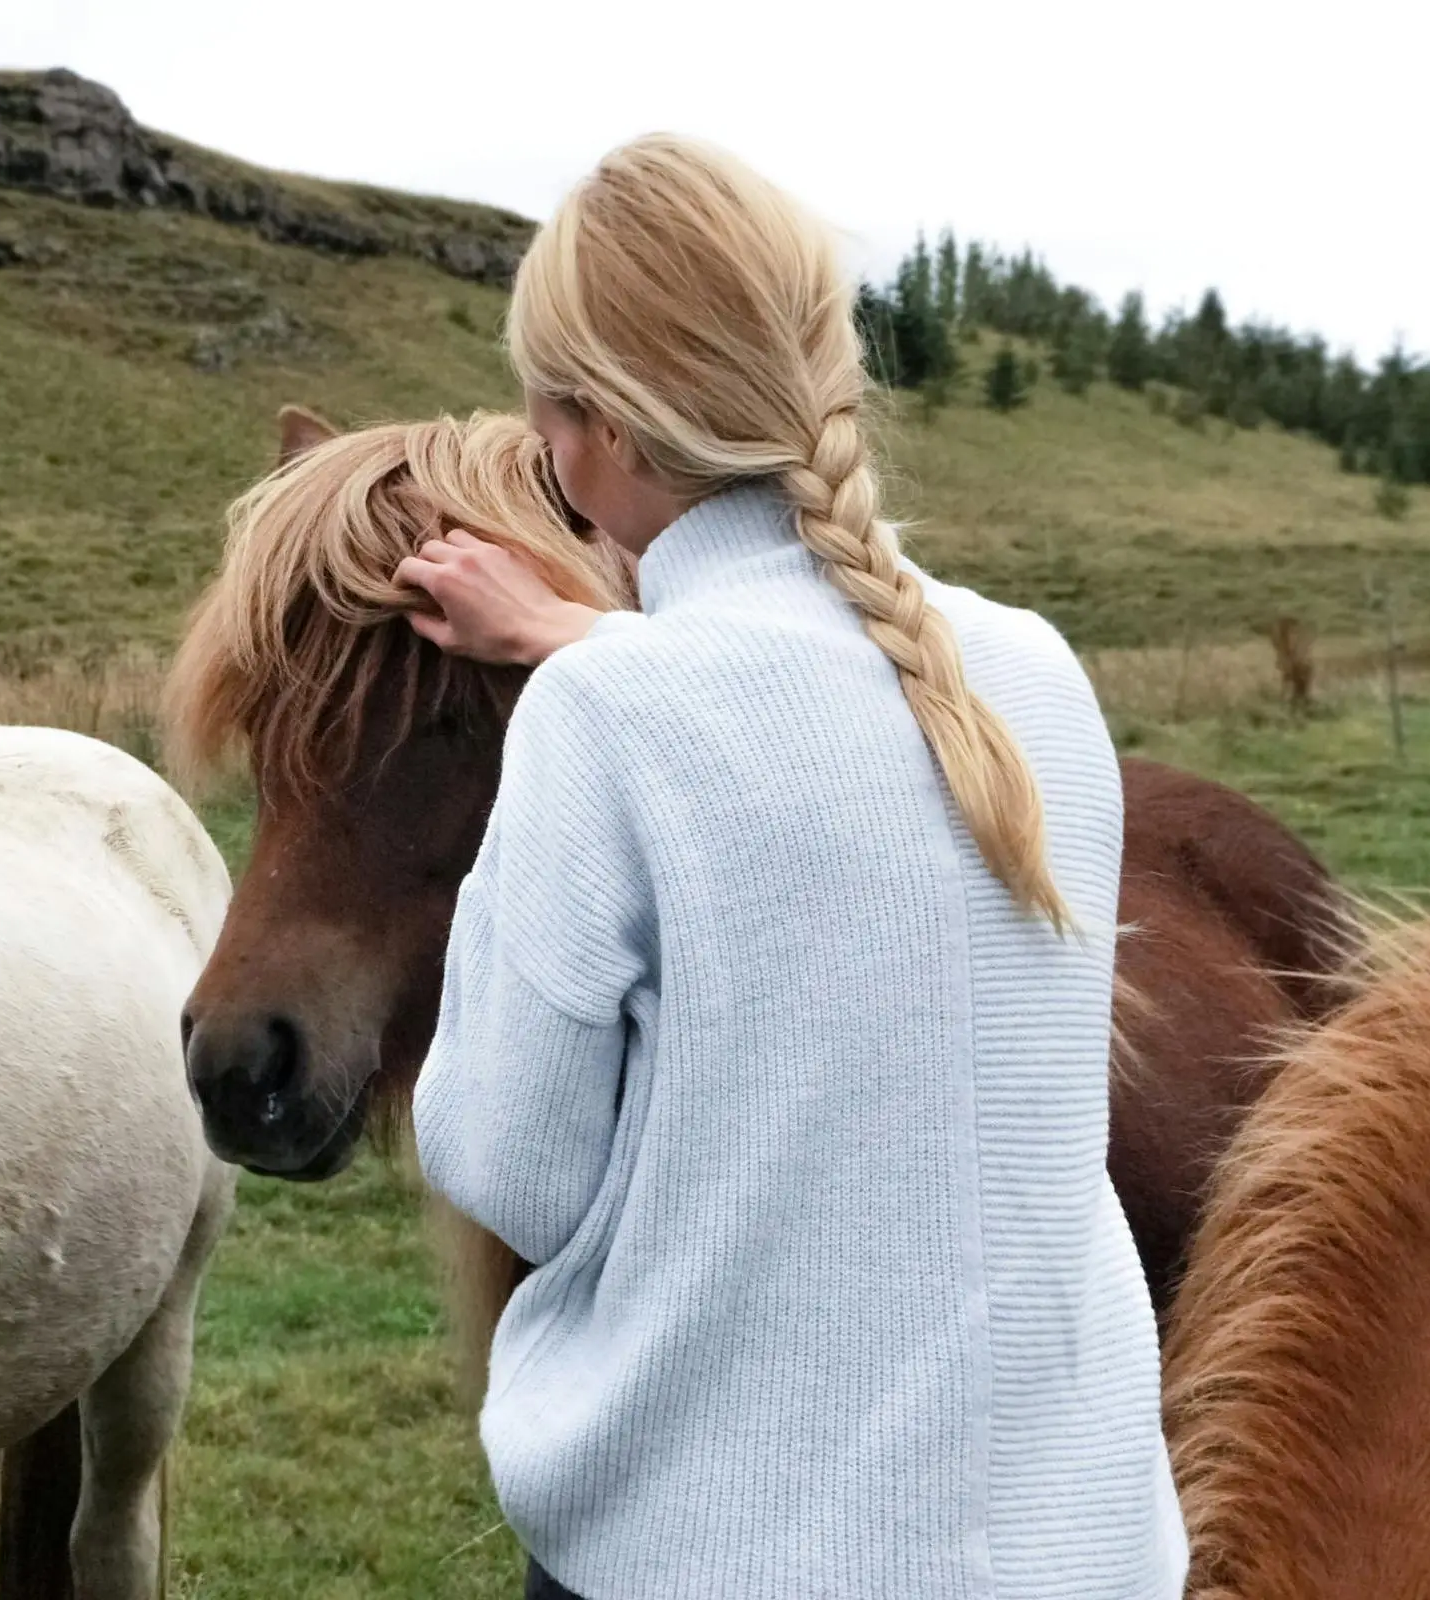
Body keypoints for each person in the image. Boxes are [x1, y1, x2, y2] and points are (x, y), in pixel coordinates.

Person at [399, 136, 1187, 1600]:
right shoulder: (1037, 677)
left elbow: (514, 1170)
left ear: (598, 435)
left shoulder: (605, 718)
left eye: (547, 404)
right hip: (1084, 1552)